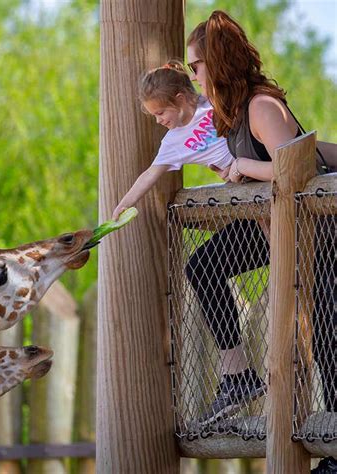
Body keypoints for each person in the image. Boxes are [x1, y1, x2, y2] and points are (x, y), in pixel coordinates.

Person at [185, 10, 336, 425]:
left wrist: (244, 168)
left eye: (196, 66)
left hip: (319, 236)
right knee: (204, 266)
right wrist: (232, 175)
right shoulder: (235, 115)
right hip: (276, 230)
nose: (194, 76)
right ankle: (238, 376)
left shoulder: (262, 106)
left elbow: (297, 171)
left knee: (328, 340)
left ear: (215, 64)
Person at [112, 59, 234, 221]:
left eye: (160, 113)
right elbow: (150, 174)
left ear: (180, 99)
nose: (158, 120)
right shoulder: (173, 142)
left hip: (254, 157)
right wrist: (125, 204)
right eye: (154, 115)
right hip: (237, 178)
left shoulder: (210, 102)